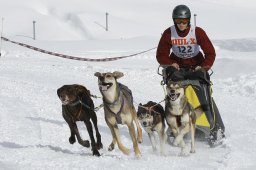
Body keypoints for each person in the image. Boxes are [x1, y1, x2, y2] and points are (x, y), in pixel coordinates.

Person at [156, 5, 225, 146]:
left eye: (184, 21)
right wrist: (169, 64)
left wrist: (204, 66)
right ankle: (174, 127)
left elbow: (210, 53)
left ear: (188, 21)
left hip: (196, 66)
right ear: (174, 21)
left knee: (204, 94)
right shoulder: (169, 33)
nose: (181, 24)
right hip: (178, 67)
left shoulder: (197, 32)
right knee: (174, 96)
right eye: (178, 21)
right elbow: (161, 54)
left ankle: (214, 126)